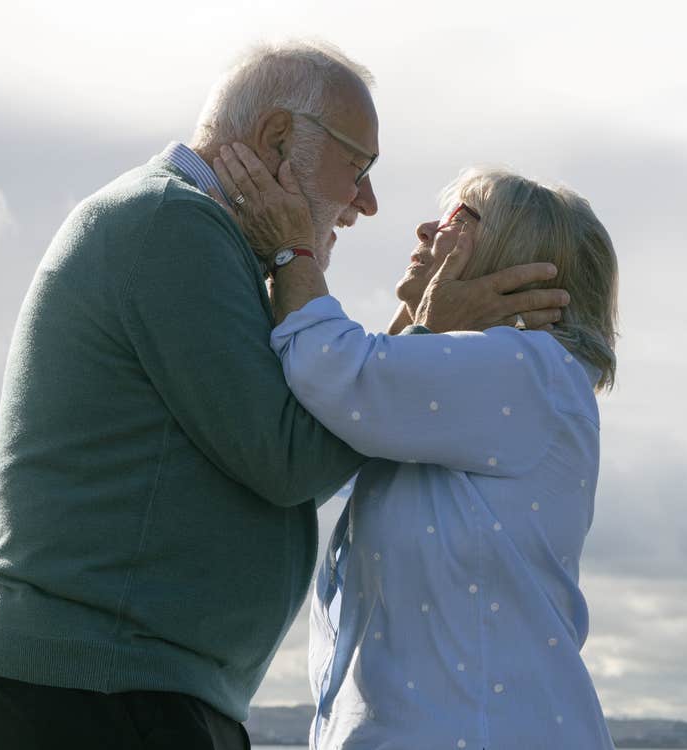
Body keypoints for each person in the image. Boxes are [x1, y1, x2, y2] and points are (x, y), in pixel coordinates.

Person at [0, 40, 569, 750]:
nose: (367, 203)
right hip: (108, 677)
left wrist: (415, 323)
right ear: (280, 138)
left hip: (131, 677)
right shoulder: (174, 225)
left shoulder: (194, 232)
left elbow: (305, 437)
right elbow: (289, 460)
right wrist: (429, 330)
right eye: (359, 168)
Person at [212, 148, 619, 749]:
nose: (427, 229)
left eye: (459, 220)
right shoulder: (477, 394)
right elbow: (349, 412)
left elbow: (336, 369)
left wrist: (291, 250)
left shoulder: (529, 371)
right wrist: (424, 317)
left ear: (516, 259)